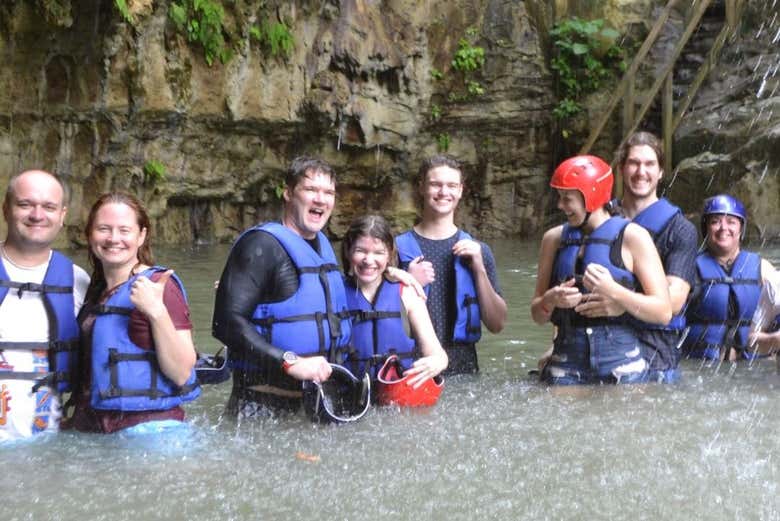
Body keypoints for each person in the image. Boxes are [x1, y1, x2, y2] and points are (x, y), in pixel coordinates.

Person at [212, 157, 349, 418]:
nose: (320, 199)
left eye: (328, 192)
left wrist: (396, 273)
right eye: (310, 190)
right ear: (288, 193)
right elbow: (226, 324)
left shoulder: (324, 247)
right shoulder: (261, 245)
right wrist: (289, 361)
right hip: (260, 407)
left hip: (318, 405)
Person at [530, 155, 672, 385]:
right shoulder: (553, 239)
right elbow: (536, 315)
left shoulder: (633, 237)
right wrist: (550, 299)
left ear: (591, 197)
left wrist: (615, 292)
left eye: (567, 198)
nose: (560, 205)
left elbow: (663, 312)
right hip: (566, 358)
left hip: (621, 358)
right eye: (560, 197)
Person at [65, 193, 200, 434]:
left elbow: (182, 373)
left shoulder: (159, 286)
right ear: (89, 235)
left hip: (150, 432)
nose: (113, 238)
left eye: (124, 230)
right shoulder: (95, 292)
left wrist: (156, 311)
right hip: (97, 430)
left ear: (142, 235)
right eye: (104, 229)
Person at [573, 131, 697, 382]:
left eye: (650, 164)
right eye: (634, 163)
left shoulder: (681, 229)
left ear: (661, 172)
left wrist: (619, 303)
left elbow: (672, 303)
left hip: (654, 352)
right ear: (621, 168)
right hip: (595, 345)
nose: (642, 171)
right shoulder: (597, 220)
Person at [396, 155, 506, 375]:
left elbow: (497, 325)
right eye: (436, 184)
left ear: (461, 190)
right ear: (421, 187)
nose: (444, 192)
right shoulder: (396, 249)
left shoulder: (478, 250)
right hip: (413, 367)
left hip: (464, 367)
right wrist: (407, 282)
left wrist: (479, 268)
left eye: (451, 186)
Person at [0, 170, 89, 442]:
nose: (37, 215)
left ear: (62, 215)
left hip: (49, 443)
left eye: (48, 207)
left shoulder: (77, 280)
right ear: (6, 209)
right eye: (25, 204)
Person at [341, 215, 448, 391]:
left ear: (390, 253)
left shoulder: (407, 292)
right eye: (360, 251)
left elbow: (439, 355)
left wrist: (436, 362)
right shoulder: (335, 292)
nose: (369, 260)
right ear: (348, 251)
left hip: (399, 398)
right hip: (350, 397)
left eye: (378, 252)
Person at [683, 194, 777, 361]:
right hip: (700, 366)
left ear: (741, 229)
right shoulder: (689, 267)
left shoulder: (762, 268)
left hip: (750, 368)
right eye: (715, 221)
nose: (723, 228)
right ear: (706, 229)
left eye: (731, 222)